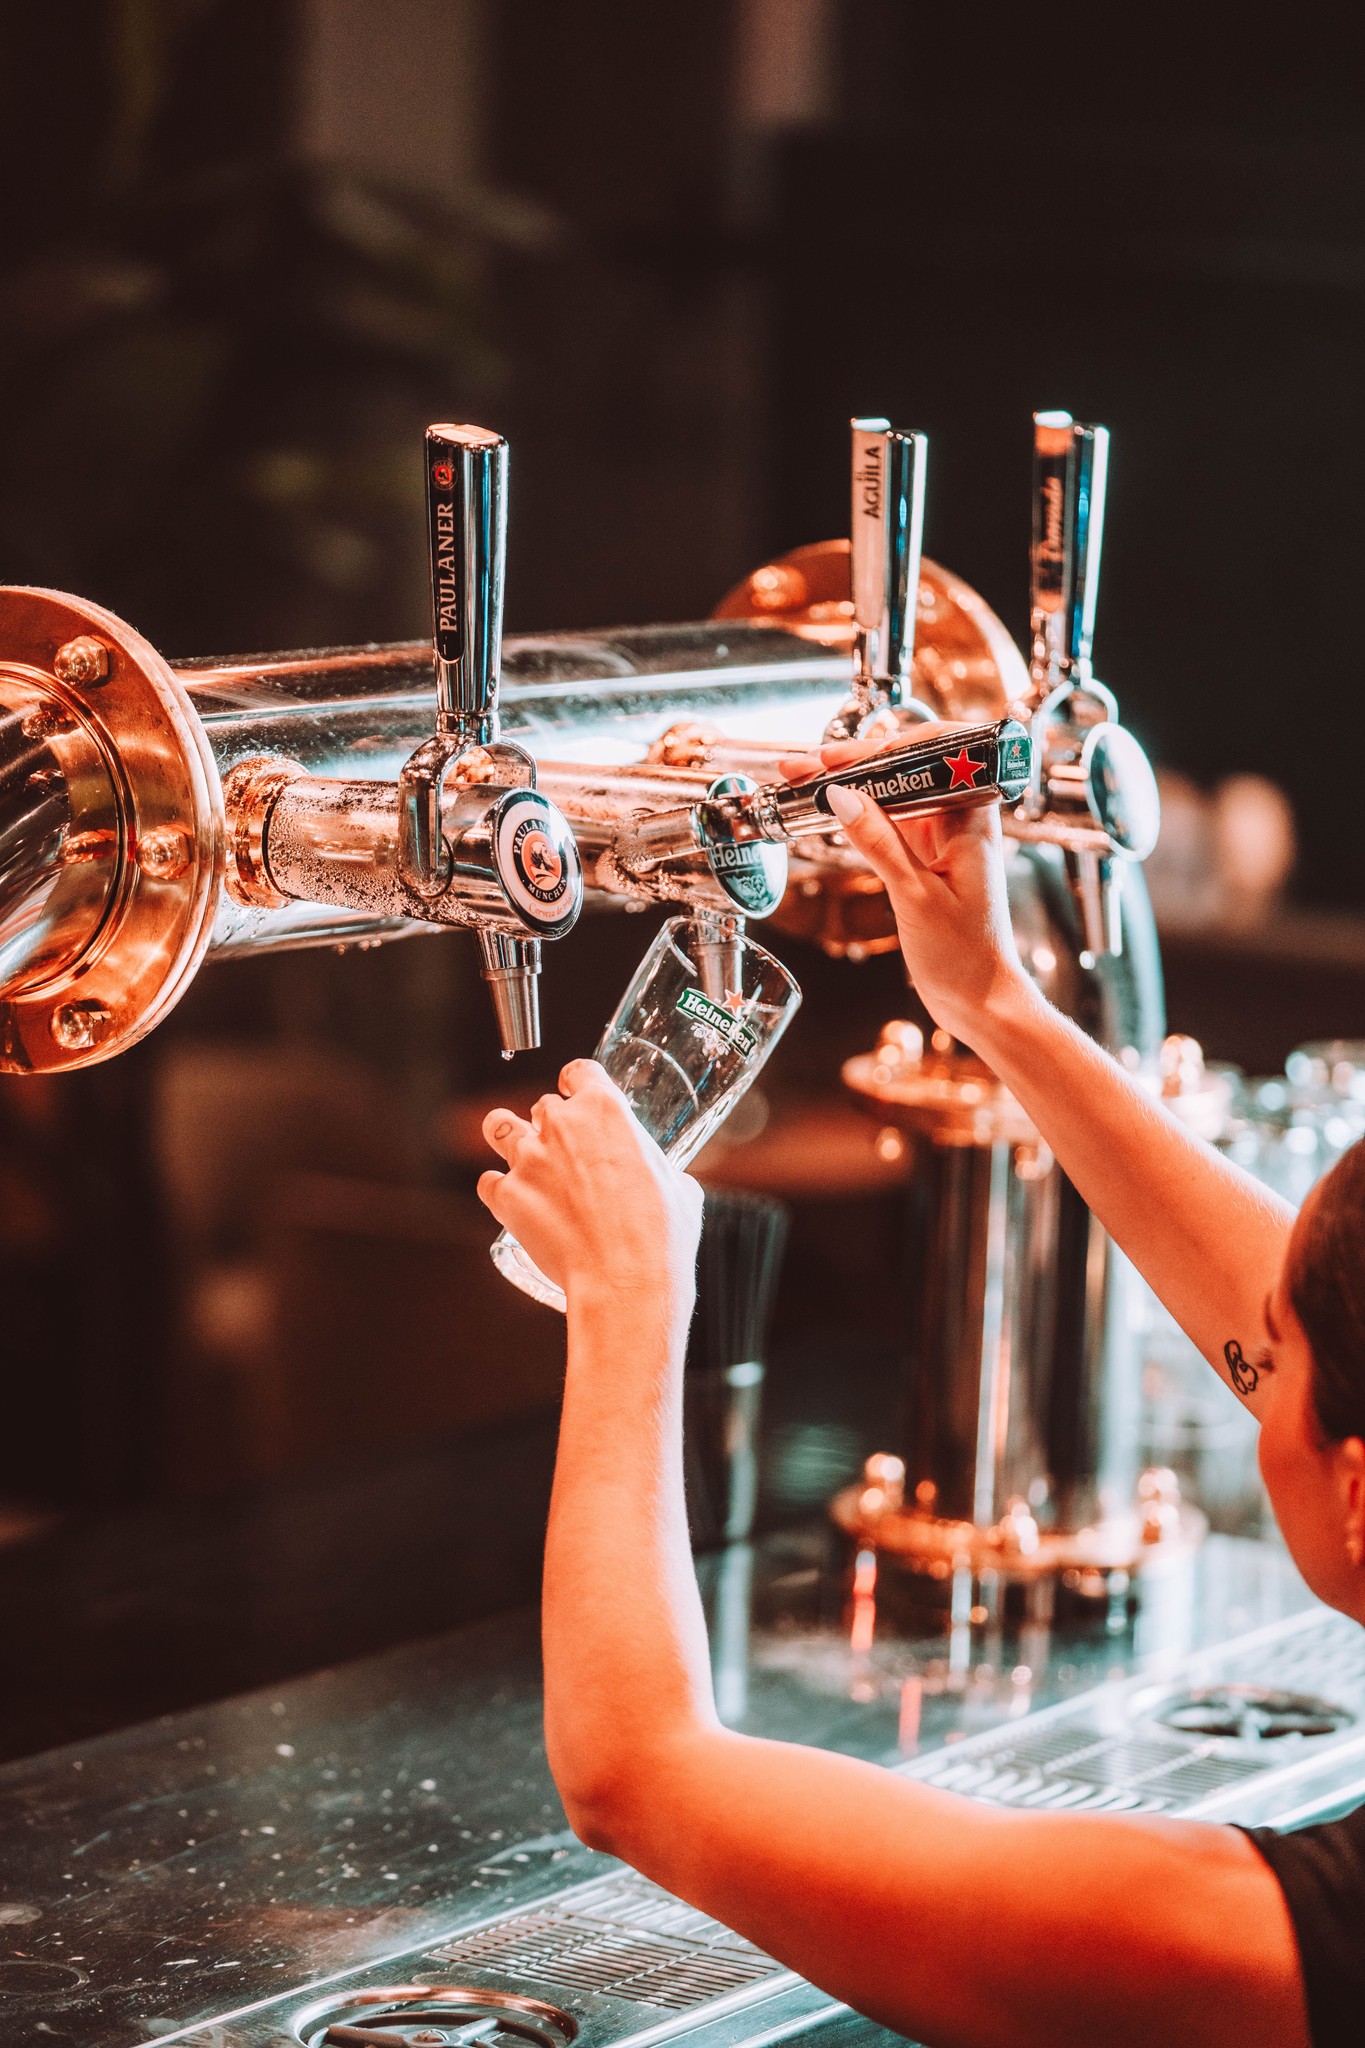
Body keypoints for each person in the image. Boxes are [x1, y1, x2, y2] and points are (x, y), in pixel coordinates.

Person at [477, 740, 1365, 2048]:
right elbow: (1297, 1303)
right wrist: (993, 999)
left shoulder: (1264, 1947)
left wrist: (629, 1299)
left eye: (1271, 1366)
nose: (1247, 1362)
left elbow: (637, 1776)